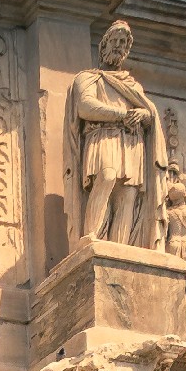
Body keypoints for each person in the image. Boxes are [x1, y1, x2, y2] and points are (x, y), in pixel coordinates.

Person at [69, 20, 169, 246]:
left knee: (128, 195)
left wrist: (144, 115)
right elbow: (85, 106)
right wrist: (122, 115)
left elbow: (149, 111)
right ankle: (91, 237)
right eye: (114, 41)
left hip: (131, 141)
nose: (118, 46)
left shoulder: (133, 85)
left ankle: (120, 247)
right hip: (102, 136)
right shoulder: (88, 77)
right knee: (107, 176)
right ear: (103, 47)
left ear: (127, 50)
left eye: (122, 43)